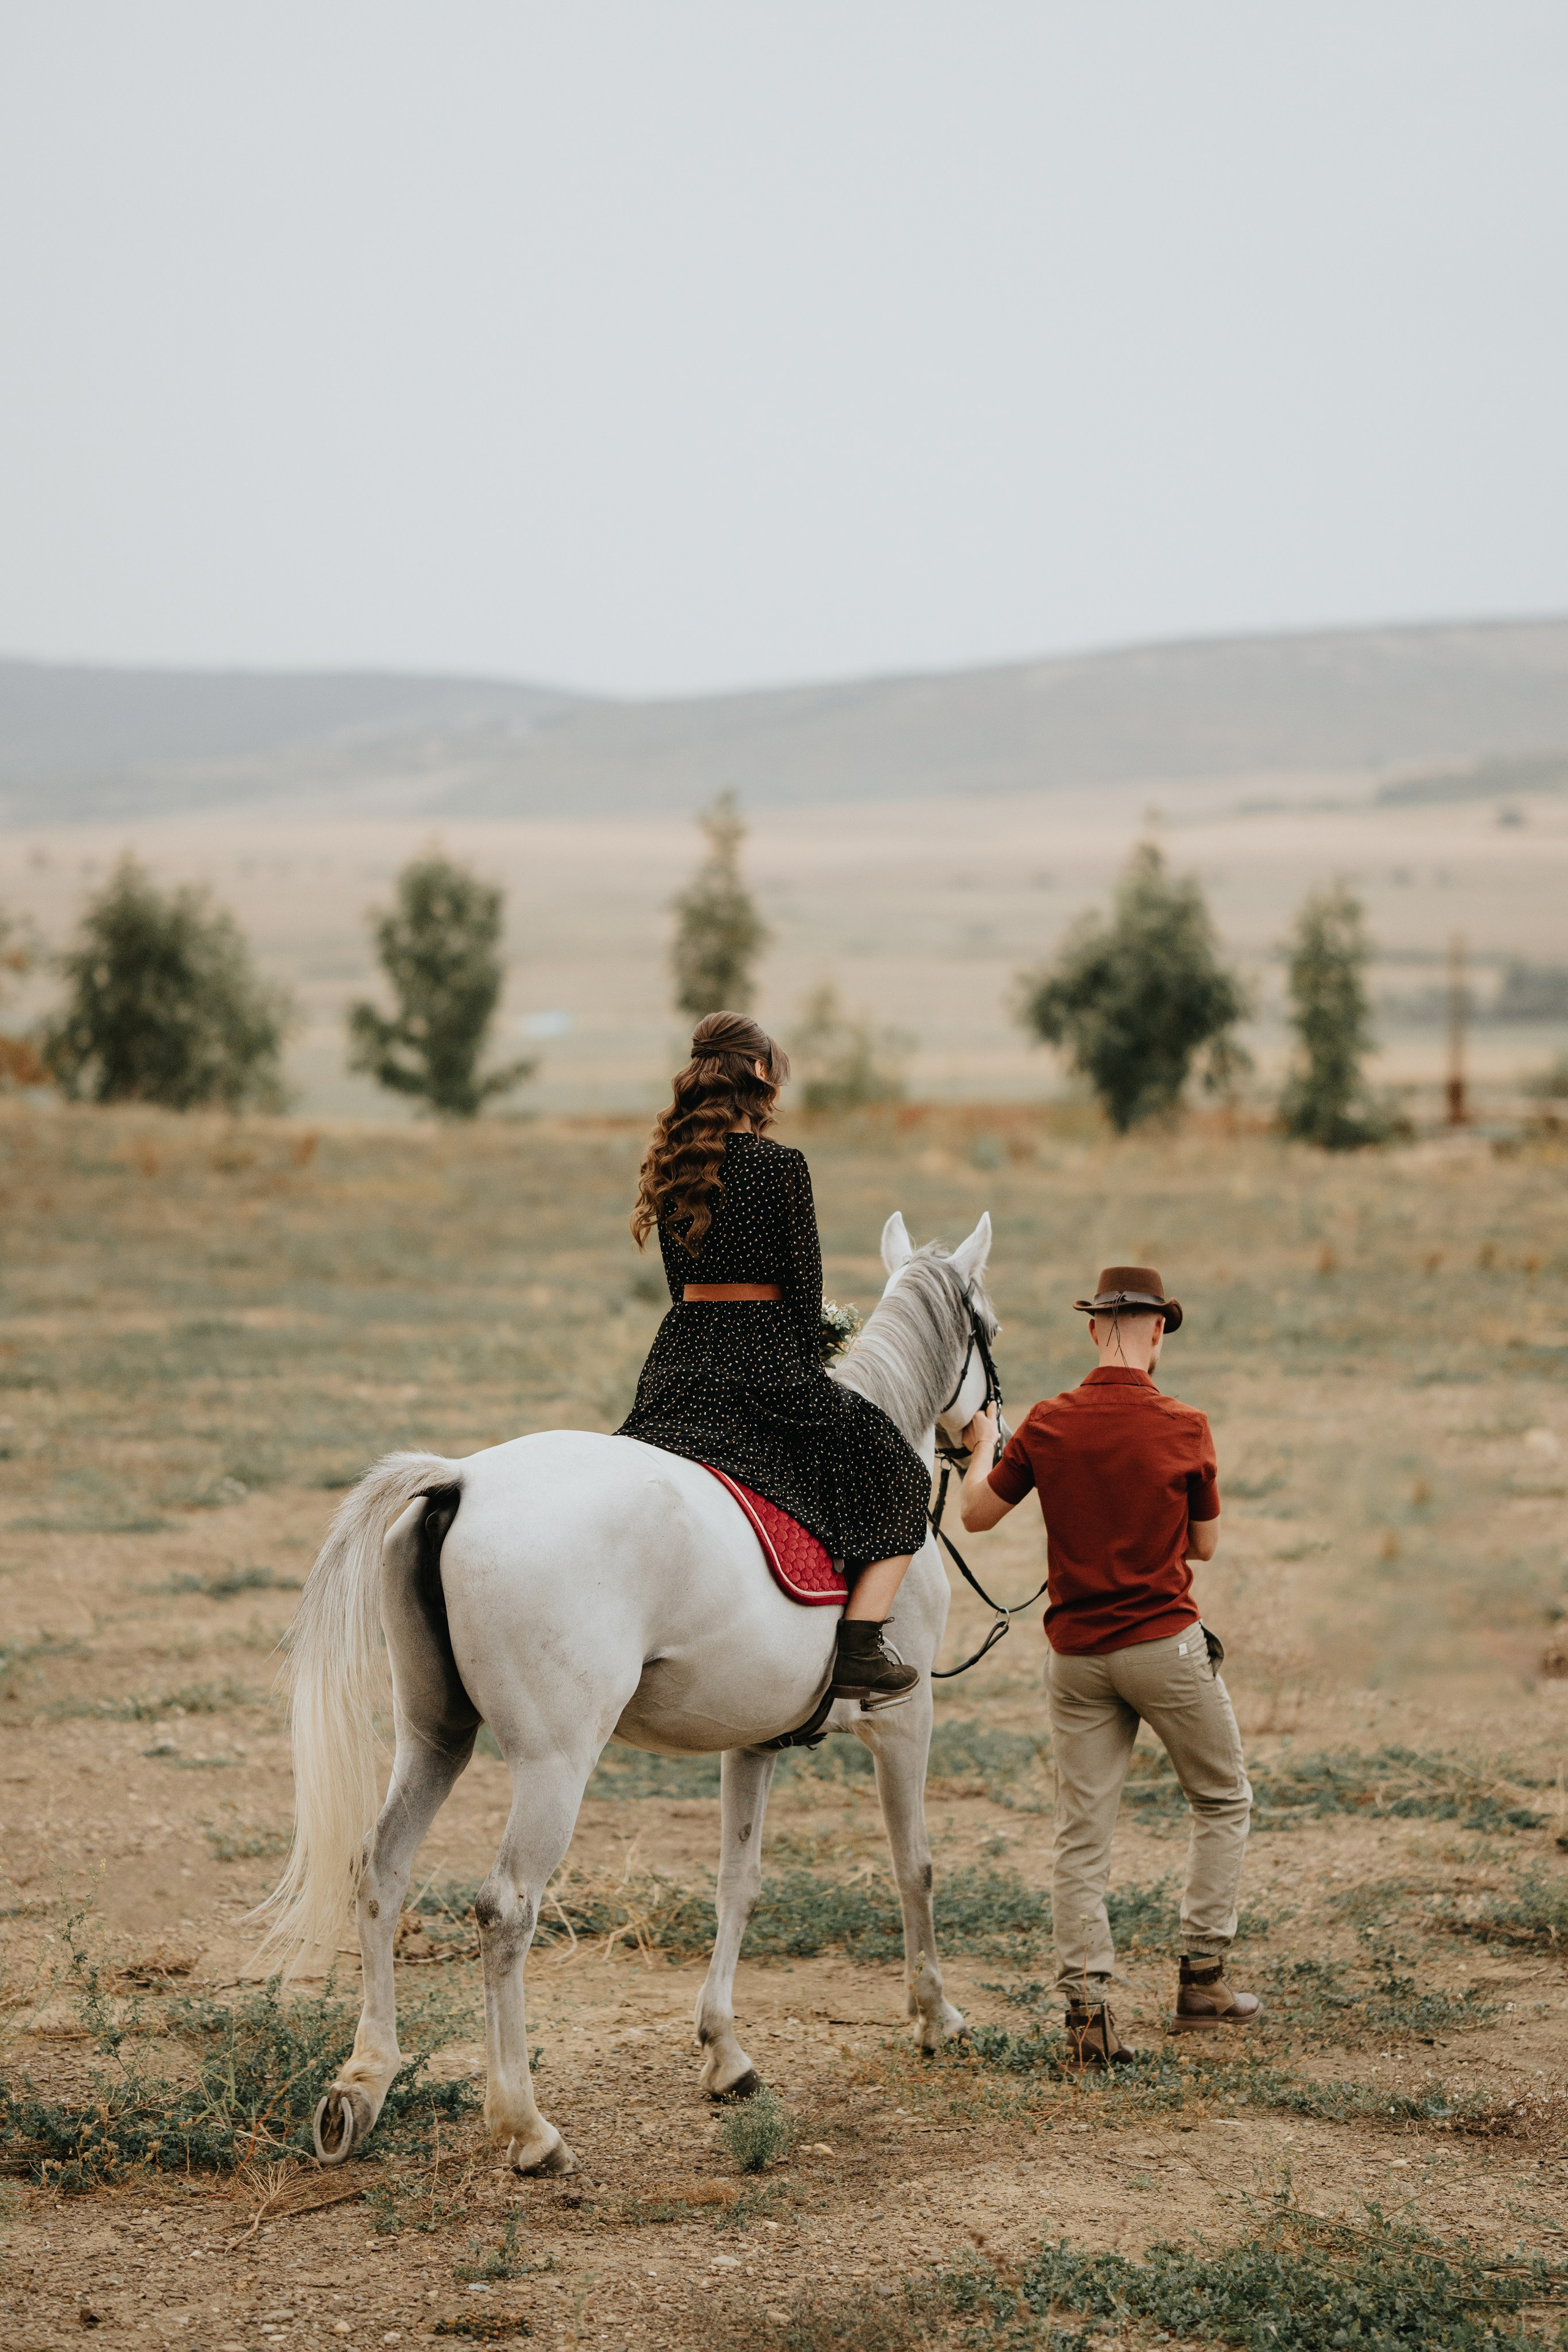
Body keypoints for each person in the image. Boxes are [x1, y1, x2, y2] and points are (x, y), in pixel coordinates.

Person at [955, 1267, 1258, 2065]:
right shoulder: (1185, 1425)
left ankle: (1087, 2019)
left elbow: (976, 1516)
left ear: (1094, 1328)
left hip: (1078, 1658)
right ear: (1158, 1332)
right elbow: (1204, 1545)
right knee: (1222, 1798)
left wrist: (984, 1446)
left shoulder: (1049, 1422)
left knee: (1081, 1837)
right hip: (1163, 1647)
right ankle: (1202, 1979)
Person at [617, 1008, 932, 1699]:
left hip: (679, 1361)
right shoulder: (781, 1165)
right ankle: (859, 1647)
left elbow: (677, 1285)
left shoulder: (672, 1166)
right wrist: (806, 1361)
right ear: (758, 1072)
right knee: (903, 1474)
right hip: (764, 1358)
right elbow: (803, 1282)